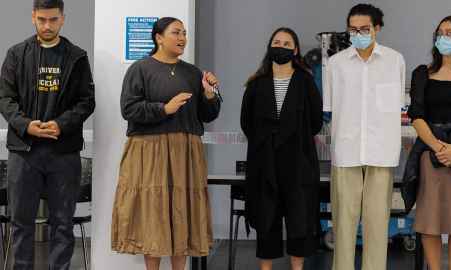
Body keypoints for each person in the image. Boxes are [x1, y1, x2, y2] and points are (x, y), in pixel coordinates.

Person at [111, 17, 221, 270]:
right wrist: (164, 109)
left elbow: (207, 115)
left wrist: (208, 94)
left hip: (186, 151)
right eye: (176, 32)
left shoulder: (193, 72)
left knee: (182, 212)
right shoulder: (140, 69)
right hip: (150, 150)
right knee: (154, 211)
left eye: (184, 33)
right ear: (158, 37)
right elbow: (129, 108)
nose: (182, 37)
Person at [0, 0, 95, 269]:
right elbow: (5, 98)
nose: (47, 25)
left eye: (53, 19)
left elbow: (87, 101)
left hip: (63, 152)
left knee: (63, 224)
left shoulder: (77, 56)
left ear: (63, 19)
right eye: (42, 19)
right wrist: (25, 124)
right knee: (21, 224)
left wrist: (61, 124)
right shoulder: (16, 54)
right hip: (23, 151)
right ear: (33, 18)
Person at [324, 4, 405, 270]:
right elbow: (330, 109)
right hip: (346, 153)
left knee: (377, 225)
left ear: (377, 28)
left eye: (364, 29)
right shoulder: (335, 64)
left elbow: (397, 106)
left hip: (381, 153)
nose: (358, 33)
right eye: (353, 29)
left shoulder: (395, 60)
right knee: (344, 227)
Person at [240, 27, 323, 270]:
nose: (281, 46)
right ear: (269, 47)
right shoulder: (256, 84)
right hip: (264, 162)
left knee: (300, 219)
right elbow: (246, 122)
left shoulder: (306, 81)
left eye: (287, 43)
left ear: (295, 50)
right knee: (266, 218)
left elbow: (316, 121)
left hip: (298, 162)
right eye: (277, 42)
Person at [405, 15, 451, 270]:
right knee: (430, 222)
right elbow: (416, 116)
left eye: (449, 33)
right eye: (440, 33)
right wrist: (439, 148)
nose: (443, 37)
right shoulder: (422, 74)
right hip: (431, 156)